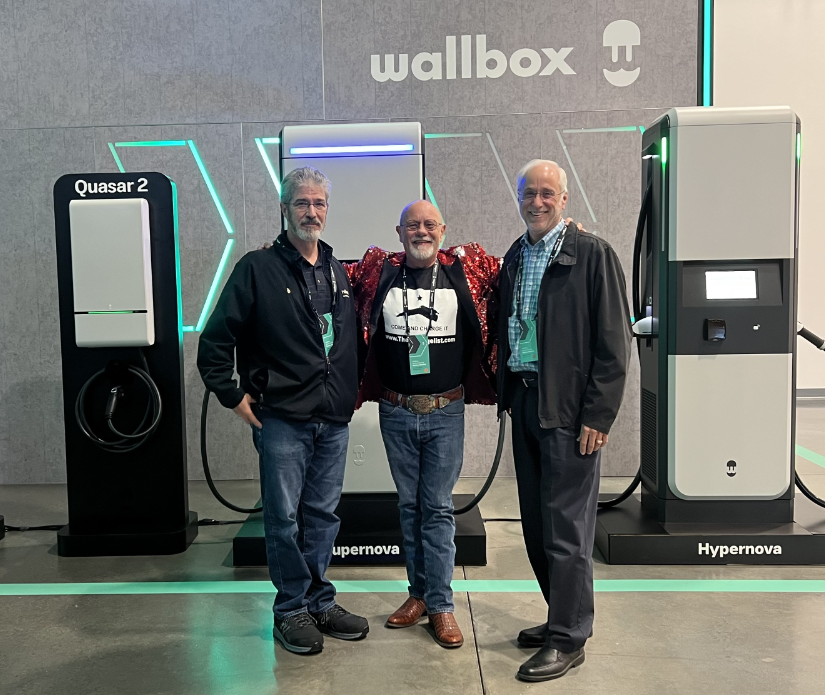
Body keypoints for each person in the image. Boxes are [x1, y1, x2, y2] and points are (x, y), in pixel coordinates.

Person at [197, 167, 369, 655]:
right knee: (284, 520)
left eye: (319, 203)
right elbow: (215, 341)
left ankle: (319, 601)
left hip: (332, 419)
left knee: (323, 516)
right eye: (302, 203)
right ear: (284, 208)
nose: (311, 212)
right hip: (282, 420)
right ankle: (290, 609)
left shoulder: (336, 270)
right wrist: (233, 395)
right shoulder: (257, 267)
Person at [495, 160, 631, 682]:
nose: (537, 202)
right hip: (527, 401)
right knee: (536, 524)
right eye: (529, 193)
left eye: (547, 193)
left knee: (567, 530)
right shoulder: (517, 254)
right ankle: (562, 616)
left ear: (564, 199)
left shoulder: (592, 255)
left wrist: (599, 412)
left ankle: (569, 639)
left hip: (571, 413)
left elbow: (614, 343)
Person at [344, 200, 500, 648]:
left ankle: (442, 605)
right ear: (399, 232)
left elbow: (520, 266)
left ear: (443, 231)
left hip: (445, 411)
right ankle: (419, 595)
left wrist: (569, 234)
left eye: (430, 224)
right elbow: (328, 271)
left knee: (436, 508)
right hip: (395, 411)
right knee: (409, 508)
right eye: (412, 225)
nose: (421, 231)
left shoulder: (465, 271)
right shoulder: (378, 272)